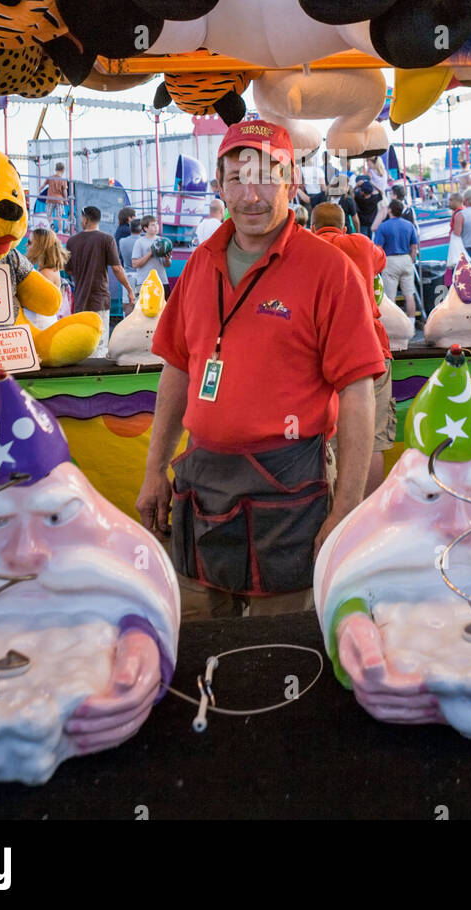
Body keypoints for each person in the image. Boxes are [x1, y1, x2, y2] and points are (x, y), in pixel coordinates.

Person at [135, 119, 386, 620]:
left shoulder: (329, 269)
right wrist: (153, 469)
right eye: (236, 178)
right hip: (201, 483)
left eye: (267, 176)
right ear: (219, 185)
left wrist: (346, 509)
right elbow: (178, 372)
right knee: (199, 638)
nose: (251, 195)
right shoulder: (198, 264)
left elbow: (359, 393)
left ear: (291, 181)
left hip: (293, 490)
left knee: (288, 645)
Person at [311, 203, 394, 496]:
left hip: (321, 353)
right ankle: (366, 518)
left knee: (326, 440)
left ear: (312, 226)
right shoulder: (360, 243)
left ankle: (332, 516)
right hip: (372, 348)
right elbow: (381, 263)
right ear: (345, 227)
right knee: (371, 440)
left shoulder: (304, 245)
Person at [67, 206, 133, 355]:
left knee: (82, 343)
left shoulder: (72, 241)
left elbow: (68, 270)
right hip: (99, 298)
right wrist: (129, 290)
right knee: (100, 344)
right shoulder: (107, 239)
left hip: (80, 300)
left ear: (85, 219)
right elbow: (117, 268)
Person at [374, 199, 419, 318]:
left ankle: (394, 325)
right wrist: (411, 259)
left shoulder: (383, 226)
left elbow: (378, 248)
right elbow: (414, 246)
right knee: (409, 295)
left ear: (390, 210)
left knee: (390, 297)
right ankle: (411, 324)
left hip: (390, 260)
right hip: (406, 259)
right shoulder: (409, 225)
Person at [24, 227, 70, 329]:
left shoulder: (46, 273)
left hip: (39, 324)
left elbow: (37, 304)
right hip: (41, 323)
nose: (26, 245)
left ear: (39, 247)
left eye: (30, 242)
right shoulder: (49, 270)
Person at [132, 215, 172, 288]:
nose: (156, 226)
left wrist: (167, 259)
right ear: (145, 228)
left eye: (157, 224)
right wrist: (150, 254)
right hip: (145, 282)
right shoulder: (139, 242)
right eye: (153, 225)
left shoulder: (163, 241)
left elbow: (167, 265)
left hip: (162, 281)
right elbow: (135, 264)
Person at [118, 217, 144, 296]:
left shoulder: (122, 241)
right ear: (141, 230)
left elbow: (120, 257)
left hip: (127, 275)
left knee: (127, 303)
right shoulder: (144, 241)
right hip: (141, 275)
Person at [41, 162, 68, 234]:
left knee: (48, 214)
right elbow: (65, 191)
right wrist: (66, 200)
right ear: (63, 170)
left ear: (56, 169)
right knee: (59, 216)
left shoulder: (50, 178)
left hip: (50, 199)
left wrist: (40, 189)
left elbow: (43, 185)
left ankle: (51, 223)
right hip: (59, 200)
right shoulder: (63, 180)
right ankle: (60, 231)